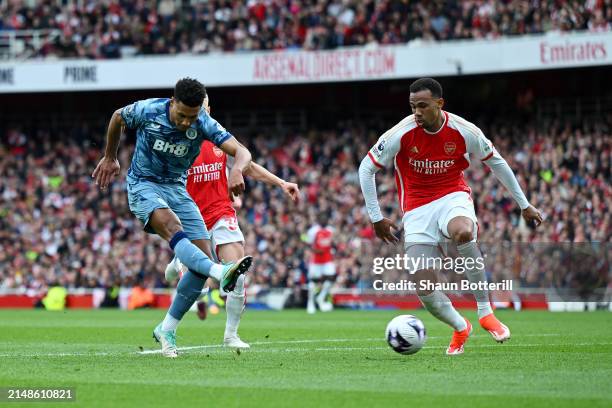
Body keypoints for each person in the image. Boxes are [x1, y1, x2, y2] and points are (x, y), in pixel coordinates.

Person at [359, 78, 543, 355]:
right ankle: (460, 326)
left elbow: (497, 162)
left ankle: (485, 311)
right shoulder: (400, 133)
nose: (416, 112)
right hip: (416, 210)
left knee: (463, 232)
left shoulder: (464, 130)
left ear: (439, 104)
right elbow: (366, 168)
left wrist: (524, 204)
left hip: (452, 197)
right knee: (423, 284)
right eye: (412, 107)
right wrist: (376, 217)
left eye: (422, 106)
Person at [92, 77, 254, 358]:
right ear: (172, 102)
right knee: (171, 226)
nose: (185, 123)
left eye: (192, 117)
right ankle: (220, 272)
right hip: (144, 184)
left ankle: (166, 328)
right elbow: (118, 117)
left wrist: (237, 169)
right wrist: (110, 156)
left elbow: (242, 151)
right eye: (181, 115)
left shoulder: (202, 122)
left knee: (200, 262)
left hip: (177, 188)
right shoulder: (149, 110)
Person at [164, 95, 300, 349]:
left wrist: (281, 183)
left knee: (238, 272)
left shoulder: (220, 139)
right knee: (197, 281)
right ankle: (177, 264)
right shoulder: (174, 141)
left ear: (208, 109)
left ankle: (231, 336)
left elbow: (247, 165)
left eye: (201, 107)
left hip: (220, 213)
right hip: (191, 218)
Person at [306, 213, 336, 314]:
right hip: (316, 260)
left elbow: (332, 243)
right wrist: (316, 250)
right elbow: (309, 244)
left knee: (331, 278)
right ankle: (310, 304)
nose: (324, 221)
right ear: (318, 220)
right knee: (313, 282)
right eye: (322, 219)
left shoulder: (331, 230)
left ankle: (321, 297)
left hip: (327, 260)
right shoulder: (313, 231)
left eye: (325, 219)